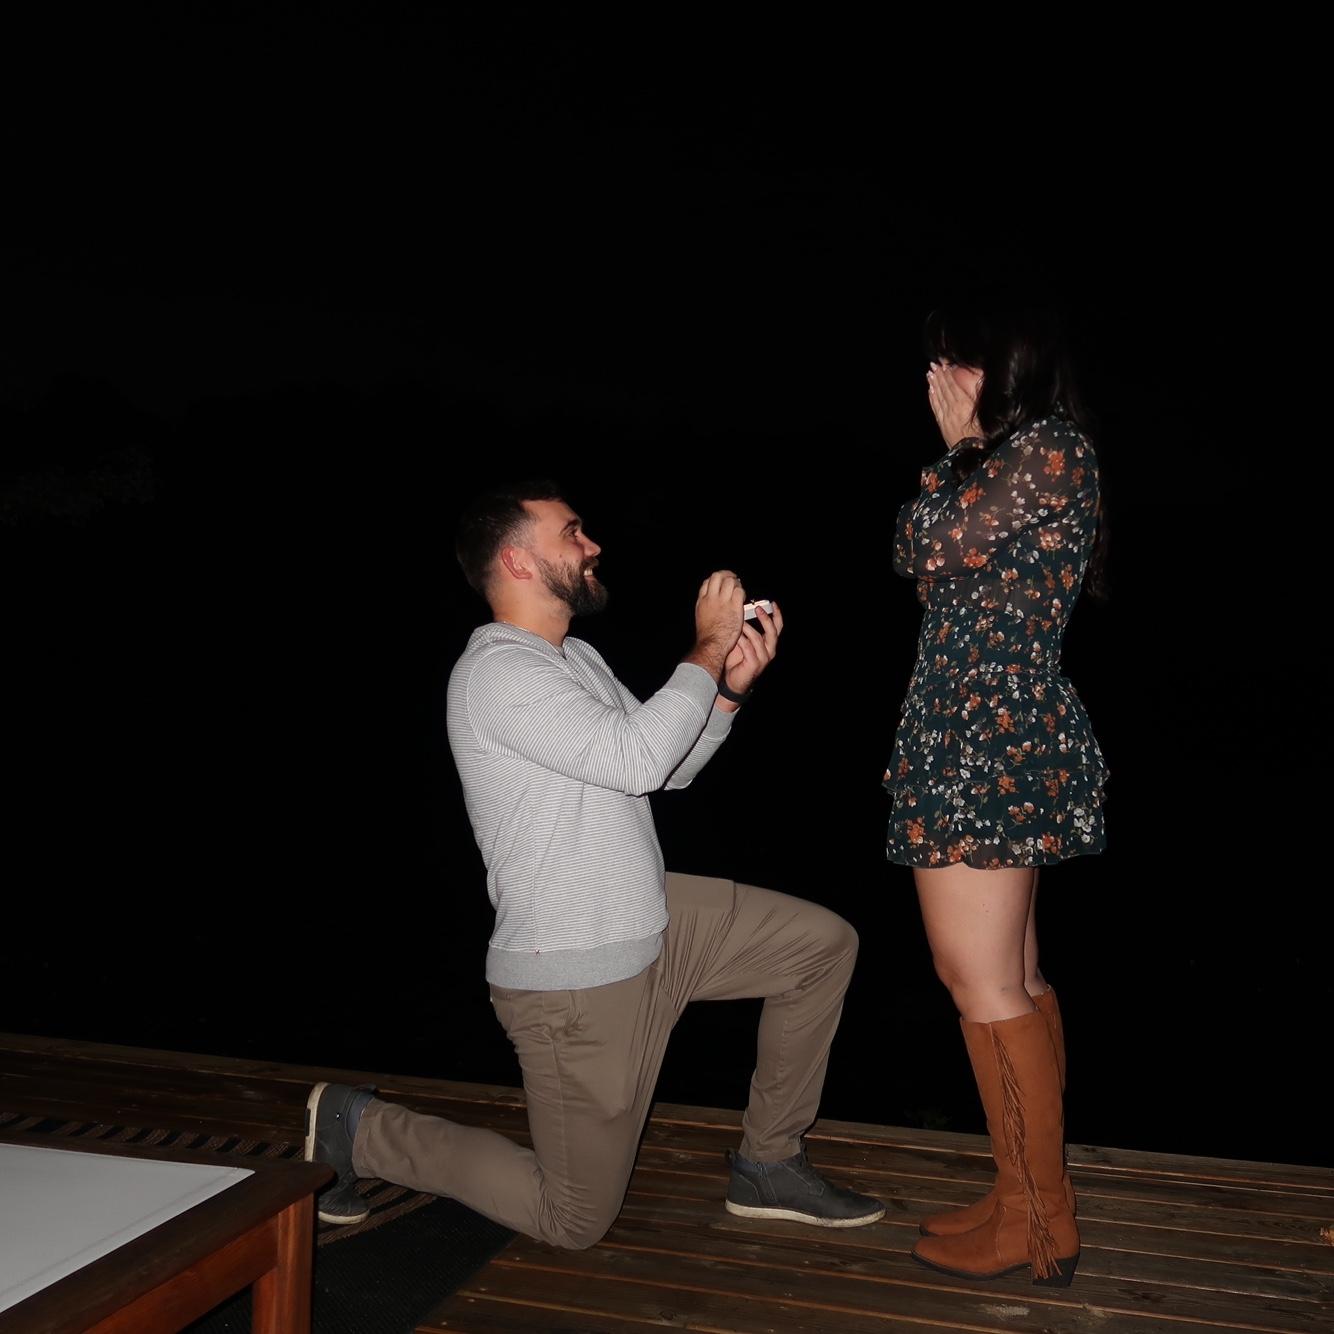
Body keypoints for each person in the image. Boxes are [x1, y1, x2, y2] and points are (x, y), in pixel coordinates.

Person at [303, 480, 884, 1244]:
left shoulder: (573, 656)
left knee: (820, 946)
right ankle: (361, 1129)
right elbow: (639, 756)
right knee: (572, 1219)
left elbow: (663, 767)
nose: (593, 544)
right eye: (572, 533)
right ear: (516, 560)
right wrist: (707, 645)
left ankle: (768, 1162)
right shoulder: (496, 674)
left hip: (657, 921)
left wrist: (727, 696)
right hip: (579, 977)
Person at [884, 306, 1109, 1287]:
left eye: (958, 353)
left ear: (1011, 363)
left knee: (976, 976)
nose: (939, 370)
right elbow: (917, 551)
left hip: (987, 731)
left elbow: (926, 545)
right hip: (970, 726)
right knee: (1008, 972)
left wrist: (959, 451)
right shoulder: (1016, 459)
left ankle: (1037, 1216)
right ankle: (1023, 1193)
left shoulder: (1046, 450)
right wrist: (964, 457)